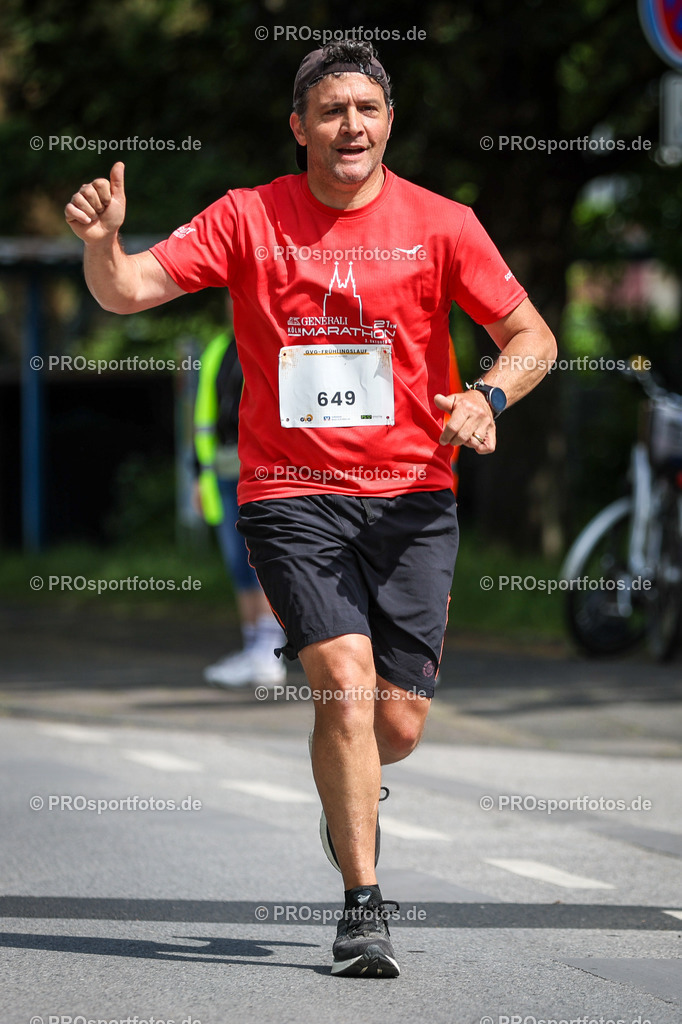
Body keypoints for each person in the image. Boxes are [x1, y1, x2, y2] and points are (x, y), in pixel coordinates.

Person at [64, 39, 557, 978]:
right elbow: (127, 292)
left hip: (414, 497)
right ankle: (363, 908)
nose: (350, 127)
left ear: (389, 122)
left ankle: (349, 803)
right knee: (341, 679)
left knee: (396, 725)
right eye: (330, 111)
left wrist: (486, 398)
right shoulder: (250, 218)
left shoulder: (443, 223)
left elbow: (531, 334)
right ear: (299, 127)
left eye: (366, 109)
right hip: (291, 498)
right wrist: (101, 245)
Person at [193, 317, 287, 688]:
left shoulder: (277, 336)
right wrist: (200, 475)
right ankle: (254, 649)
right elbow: (204, 418)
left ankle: (269, 651)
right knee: (238, 563)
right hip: (222, 466)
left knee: (261, 560)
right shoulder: (219, 347)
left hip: (263, 468)